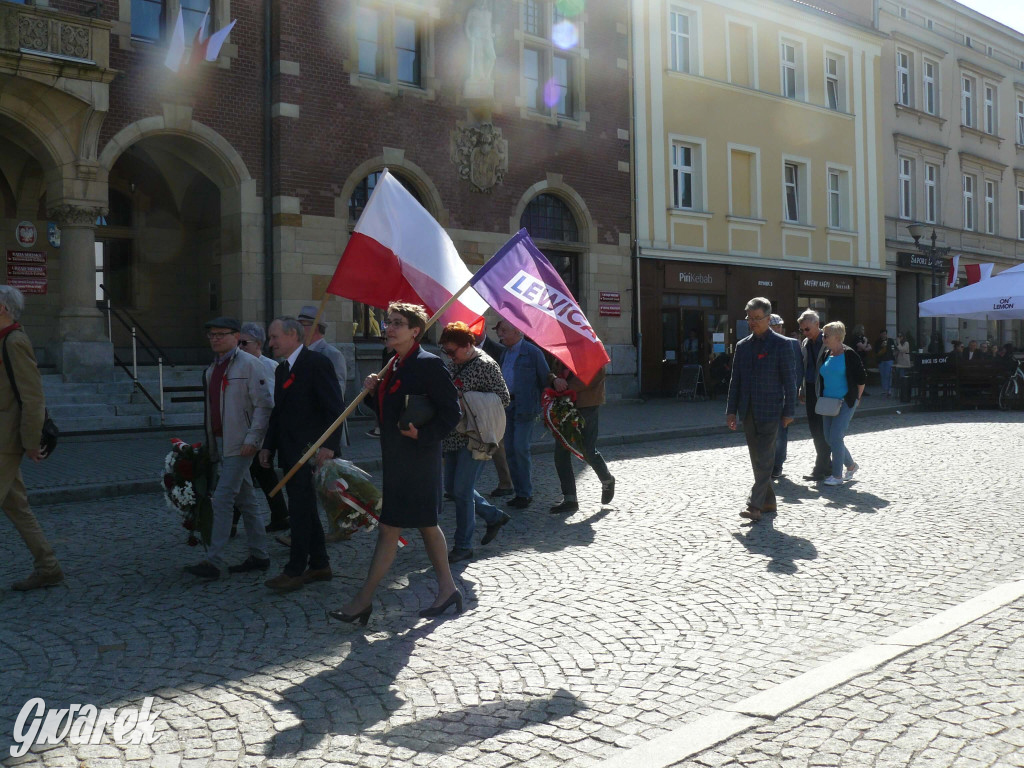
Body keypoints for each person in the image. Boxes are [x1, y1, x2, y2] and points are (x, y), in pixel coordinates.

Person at [331, 303, 463, 624]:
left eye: (397, 323)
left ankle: (363, 600)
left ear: (415, 330)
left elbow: (452, 413)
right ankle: (447, 589)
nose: (388, 328)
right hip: (397, 459)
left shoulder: (429, 365)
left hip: (419, 461)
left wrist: (424, 434)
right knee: (427, 526)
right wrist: (374, 393)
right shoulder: (391, 363)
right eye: (387, 322)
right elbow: (390, 418)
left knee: (392, 528)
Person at [259, 316, 344, 592]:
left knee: (299, 512)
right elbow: (279, 413)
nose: (269, 343)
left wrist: (329, 445)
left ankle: (295, 569)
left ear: (293, 335)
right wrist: (268, 445)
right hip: (289, 452)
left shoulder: (317, 364)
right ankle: (320, 564)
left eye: (274, 337)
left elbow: (335, 409)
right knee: (303, 509)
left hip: (312, 453)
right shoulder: (281, 370)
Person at [185, 318, 273, 580]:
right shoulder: (213, 368)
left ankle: (215, 561)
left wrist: (253, 438)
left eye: (221, 334)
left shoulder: (250, 365)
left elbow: (265, 405)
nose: (214, 339)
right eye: (211, 335)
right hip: (224, 441)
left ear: (237, 337)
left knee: (222, 499)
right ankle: (260, 555)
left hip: (241, 442)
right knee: (246, 500)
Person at [0, 286, 63, 591]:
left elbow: (32, 397)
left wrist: (29, 443)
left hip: (5, 442)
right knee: (18, 508)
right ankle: (48, 567)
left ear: (2, 308)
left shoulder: (14, 340)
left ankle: (48, 568)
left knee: (18, 507)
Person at [440, 322, 510, 563]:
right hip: (452, 437)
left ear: (468, 346)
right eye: (446, 352)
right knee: (452, 488)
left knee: (461, 490)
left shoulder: (486, 365)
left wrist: (466, 398)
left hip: (476, 438)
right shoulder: (453, 365)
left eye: (453, 351)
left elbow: (503, 398)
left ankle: (463, 545)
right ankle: (493, 516)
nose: (450, 357)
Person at [725, 298, 797, 523]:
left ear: (768, 318)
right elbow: (735, 381)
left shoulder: (783, 344)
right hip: (747, 411)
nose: (753, 322)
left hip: (771, 410)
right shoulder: (742, 345)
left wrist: (789, 412)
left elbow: (790, 381)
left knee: (765, 458)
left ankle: (754, 506)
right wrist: (731, 411)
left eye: (757, 318)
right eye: (750, 318)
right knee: (757, 459)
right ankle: (769, 501)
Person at [231, 322, 289, 535]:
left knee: (244, 474)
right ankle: (281, 515)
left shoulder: (267, 366)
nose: (240, 346)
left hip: (260, 431)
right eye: (238, 342)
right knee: (258, 474)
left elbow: (270, 402)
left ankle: (232, 521)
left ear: (258, 344)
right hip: (243, 429)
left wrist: (263, 435)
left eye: (243, 343)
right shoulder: (238, 363)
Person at [548, 360, 616, 513]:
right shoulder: (562, 346)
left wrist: (565, 387)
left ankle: (607, 479)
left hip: (587, 405)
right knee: (561, 452)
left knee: (587, 450)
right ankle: (570, 499)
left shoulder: (591, 347)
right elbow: (550, 370)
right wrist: (554, 380)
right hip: (564, 404)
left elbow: (595, 375)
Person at [495, 319, 549, 509]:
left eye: (503, 330)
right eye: (499, 331)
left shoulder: (532, 352)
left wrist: (543, 408)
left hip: (525, 407)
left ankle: (526, 493)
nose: (500, 334)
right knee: (509, 449)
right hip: (507, 406)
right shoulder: (504, 353)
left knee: (520, 448)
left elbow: (545, 379)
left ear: (518, 331)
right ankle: (518, 492)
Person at [818, 321, 866, 487]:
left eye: (826, 335)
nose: (823, 338)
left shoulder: (850, 354)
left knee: (836, 437)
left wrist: (857, 399)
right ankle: (851, 466)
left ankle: (837, 476)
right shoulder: (826, 353)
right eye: (823, 335)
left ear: (837, 337)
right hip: (827, 402)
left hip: (846, 401)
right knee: (829, 438)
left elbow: (861, 379)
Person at [478, 327, 514, 497]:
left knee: (497, 445)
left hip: (494, 404)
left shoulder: (499, 350)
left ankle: (506, 483)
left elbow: (505, 378)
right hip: (474, 404)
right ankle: (461, 483)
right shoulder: (465, 349)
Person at [797, 310, 832, 481]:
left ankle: (821, 467)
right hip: (811, 388)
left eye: (807, 329)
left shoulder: (828, 341)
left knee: (823, 429)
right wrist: (802, 389)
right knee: (815, 428)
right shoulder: (805, 342)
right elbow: (805, 367)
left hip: (825, 390)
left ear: (817, 325)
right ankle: (828, 465)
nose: (805, 333)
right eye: (803, 329)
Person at [768, 314, 801, 479]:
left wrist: (794, 395)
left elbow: (797, 371)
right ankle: (768, 464)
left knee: (781, 434)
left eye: (779, 326)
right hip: (766, 398)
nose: (778, 329)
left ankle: (778, 465)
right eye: (774, 326)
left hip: (784, 397)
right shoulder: (760, 343)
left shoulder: (792, 344)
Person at [298, 305, 348, 398]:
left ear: (315, 328)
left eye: (302, 325)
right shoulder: (298, 354)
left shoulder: (332, 355)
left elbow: (337, 393)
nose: (297, 329)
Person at [874, 329, 896, 397]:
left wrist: (894, 356)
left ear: (886, 334)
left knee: (889, 375)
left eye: (885, 334)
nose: (884, 335)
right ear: (880, 335)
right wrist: (881, 346)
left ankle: (889, 390)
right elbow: (876, 351)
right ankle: (885, 389)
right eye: (882, 334)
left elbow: (893, 349)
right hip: (881, 360)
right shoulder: (878, 342)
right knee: (883, 375)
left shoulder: (890, 340)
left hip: (889, 360)